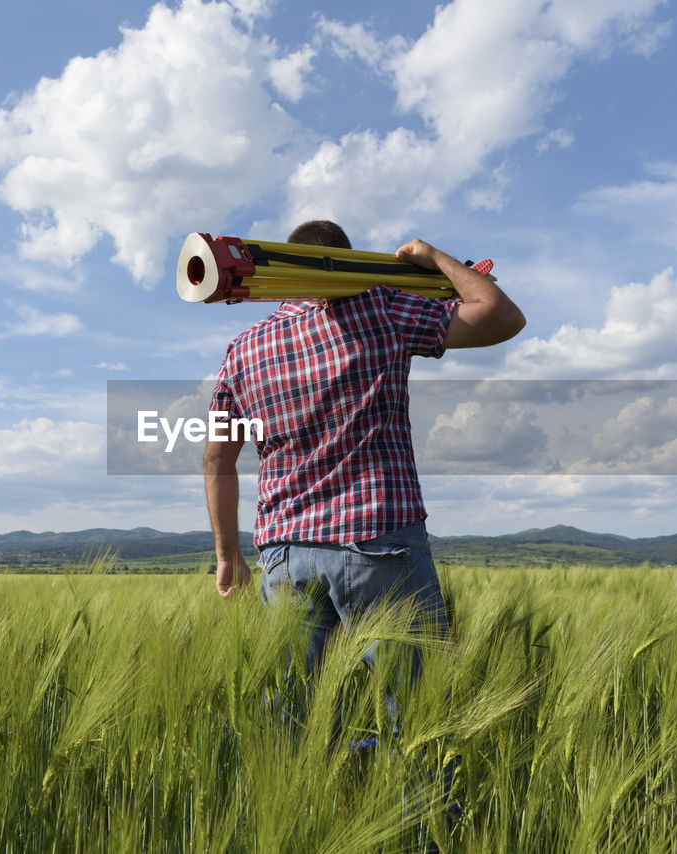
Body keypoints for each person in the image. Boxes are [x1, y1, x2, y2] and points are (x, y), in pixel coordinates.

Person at [202, 219, 524, 724]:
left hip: (285, 554)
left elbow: (218, 459)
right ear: (348, 262)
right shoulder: (384, 308)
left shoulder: (243, 350)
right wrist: (433, 256)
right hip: (379, 541)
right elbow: (501, 316)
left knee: (290, 724)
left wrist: (227, 555)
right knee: (415, 718)